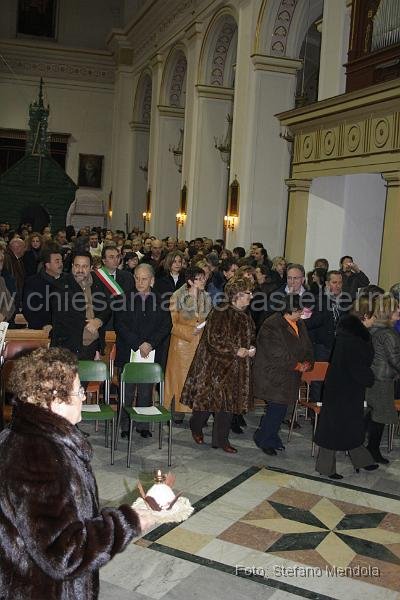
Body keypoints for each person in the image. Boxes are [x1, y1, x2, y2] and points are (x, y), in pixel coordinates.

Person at [0, 347, 153, 599]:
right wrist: (131, 521)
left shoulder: (24, 437)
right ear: (55, 400)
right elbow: (64, 553)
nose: (84, 397)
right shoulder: (37, 458)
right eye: (79, 391)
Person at [180, 277, 255, 454]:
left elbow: (249, 337)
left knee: (227, 406)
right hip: (215, 367)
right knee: (207, 404)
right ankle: (196, 426)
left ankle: (220, 440)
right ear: (236, 295)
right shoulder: (221, 311)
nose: (251, 296)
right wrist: (235, 350)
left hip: (235, 368)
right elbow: (213, 340)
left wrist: (251, 347)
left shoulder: (245, 314)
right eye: (247, 293)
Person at [314, 297, 379, 479]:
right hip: (343, 390)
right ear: (365, 316)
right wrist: (370, 379)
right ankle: (326, 468)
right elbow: (357, 367)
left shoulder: (352, 334)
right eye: (373, 316)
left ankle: (362, 460)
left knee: (350, 425)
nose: (375, 320)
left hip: (346, 388)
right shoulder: (353, 339)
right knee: (334, 429)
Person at [114, 263, 171, 438]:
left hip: (151, 352)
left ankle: (142, 425)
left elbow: (166, 325)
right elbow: (120, 325)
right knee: (127, 391)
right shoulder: (124, 298)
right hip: (129, 350)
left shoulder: (161, 300)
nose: (139, 282)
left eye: (144, 279)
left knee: (146, 390)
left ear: (152, 280)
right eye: (137, 278)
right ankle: (125, 424)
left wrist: (150, 344)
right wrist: (139, 343)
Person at [253, 294, 314, 456]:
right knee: (276, 409)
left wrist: (308, 361)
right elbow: (275, 353)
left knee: (281, 409)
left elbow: (307, 345)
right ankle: (264, 439)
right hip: (273, 374)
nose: (302, 313)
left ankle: (271, 437)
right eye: (299, 310)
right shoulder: (271, 325)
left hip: (291, 375)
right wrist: (296, 364)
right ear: (290, 310)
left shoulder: (299, 323)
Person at [164, 266, 212, 421]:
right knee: (179, 380)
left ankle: (196, 414)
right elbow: (171, 323)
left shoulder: (206, 297)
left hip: (200, 343)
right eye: (199, 278)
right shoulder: (177, 296)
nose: (203, 281)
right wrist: (189, 331)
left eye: (204, 278)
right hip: (182, 345)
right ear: (191, 281)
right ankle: (176, 411)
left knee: (198, 380)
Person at [49, 252, 111, 360]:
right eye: (77, 266)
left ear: (91, 268)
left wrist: (99, 321)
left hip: (92, 345)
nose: (80, 270)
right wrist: (88, 324)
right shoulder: (60, 284)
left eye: (85, 266)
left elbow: (108, 306)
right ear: (72, 266)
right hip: (67, 345)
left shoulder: (98, 283)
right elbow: (63, 313)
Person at [365, 294, 400, 464]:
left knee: (372, 415)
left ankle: (360, 446)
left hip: (373, 377)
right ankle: (372, 450)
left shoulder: (374, 328)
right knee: (380, 416)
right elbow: (396, 360)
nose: (399, 311)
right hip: (382, 380)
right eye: (396, 309)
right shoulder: (388, 334)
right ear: (388, 312)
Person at [22, 245, 64, 330]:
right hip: (42, 330)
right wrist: (43, 325)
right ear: (47, 265)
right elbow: (29, 310)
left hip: (65, 329)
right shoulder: (33, 282)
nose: (61, 264)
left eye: (61, 261)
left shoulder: (68, 280)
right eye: (57, 261)